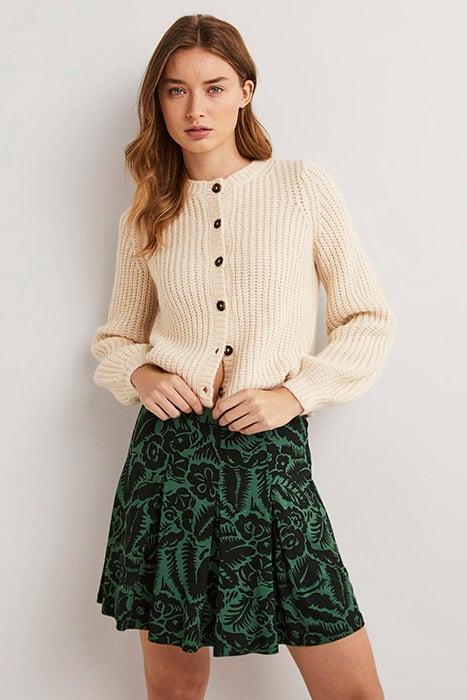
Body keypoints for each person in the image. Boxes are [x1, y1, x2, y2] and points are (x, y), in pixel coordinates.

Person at [91, 13, 395, 700]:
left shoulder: (300, 187)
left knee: (351, 689)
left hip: (271, 457)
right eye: (175, 90)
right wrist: (141, 373)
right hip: (169, 463)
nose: (195, 109)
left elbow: (366, 318)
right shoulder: (148, 210)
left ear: (246, 91)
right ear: (158, 100)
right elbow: (116, 338)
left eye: (214, 87)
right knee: (174, 691)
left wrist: (294, 395)